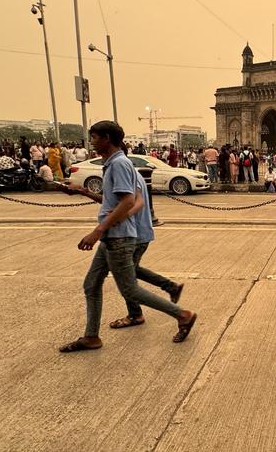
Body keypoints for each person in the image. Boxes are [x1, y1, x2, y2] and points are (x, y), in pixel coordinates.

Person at [59, 121, 197, 353]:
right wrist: (83, 192)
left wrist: (98, 231)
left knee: (129, 289)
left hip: (119, 237)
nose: (91, 142)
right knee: (91, 284)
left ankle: (183, 314)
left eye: (94, 137)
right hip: (113, 236)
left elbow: (129, 202)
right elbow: (116, 201)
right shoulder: (114, 164)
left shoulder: (120, 164)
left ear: (106, 138)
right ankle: (91, 336)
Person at [109, 169, 185, 329]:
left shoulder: (123, 172)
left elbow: (137, 202)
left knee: (126, 277)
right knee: (131, 271)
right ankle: (170, 287)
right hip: (139, 233)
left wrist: (119, 217)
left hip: (135, 234)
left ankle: (135, 314)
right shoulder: (132, 172)